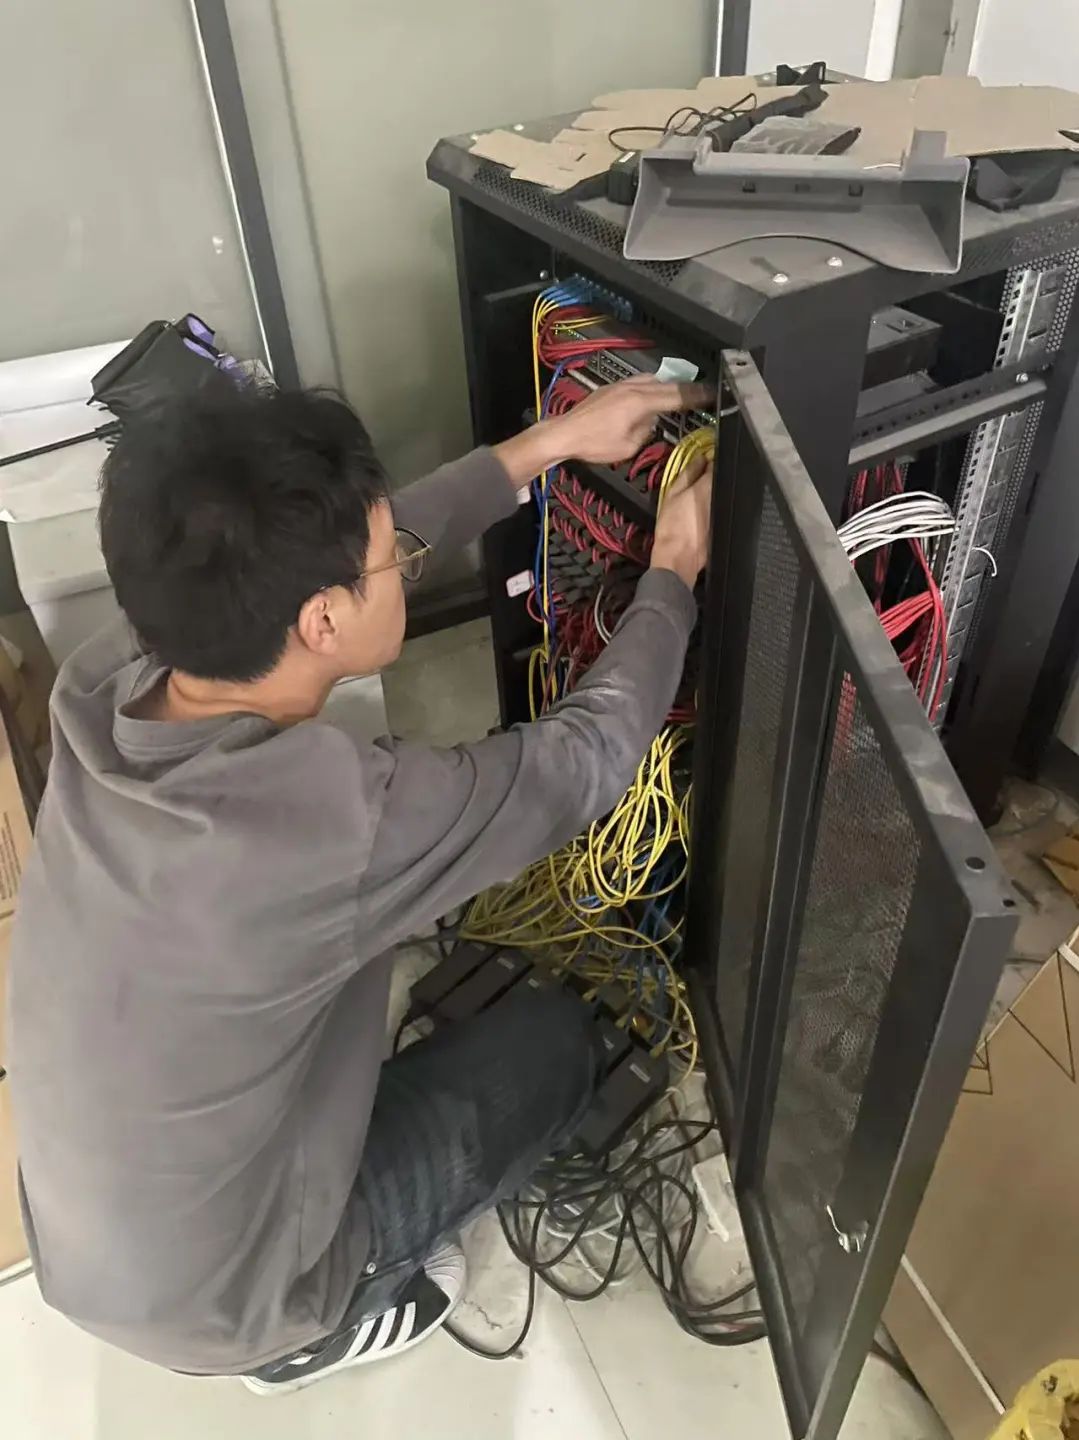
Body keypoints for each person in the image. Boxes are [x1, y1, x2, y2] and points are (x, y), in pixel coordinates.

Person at [6, 375, 712, 1394]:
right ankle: (309, 1334)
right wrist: (673, 575)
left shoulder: (108, 677)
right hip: (233, 1294)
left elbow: (343, 553)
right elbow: (582, 763)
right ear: (325, 620)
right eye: (396, 565)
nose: (408, 564)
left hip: (90, 1245)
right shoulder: (328, 825)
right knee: (559, 1047)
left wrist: (552, 443)